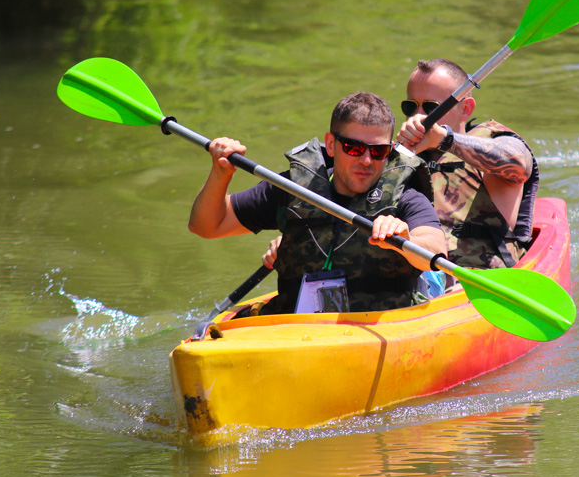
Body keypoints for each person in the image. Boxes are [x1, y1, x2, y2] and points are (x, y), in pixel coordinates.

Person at [188, 91, 447, 314]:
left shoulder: (404, 196)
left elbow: (436, 252)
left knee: (433, 275)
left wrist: (405, 239)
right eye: (354, 148)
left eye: (378, 151)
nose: (367, 161)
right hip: (306, 324)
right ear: (331, 145)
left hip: (385, 321)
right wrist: (221, 173)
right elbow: (207, 226)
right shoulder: (294, 188)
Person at [396, 58, 539, 269]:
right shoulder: (399, 154)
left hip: (478, 277)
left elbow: (519, 165)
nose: (419, 116)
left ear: (465, 109)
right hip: (417, 279)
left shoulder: (493, 140)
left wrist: (444, 139)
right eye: (411, 106)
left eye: (430, 107)